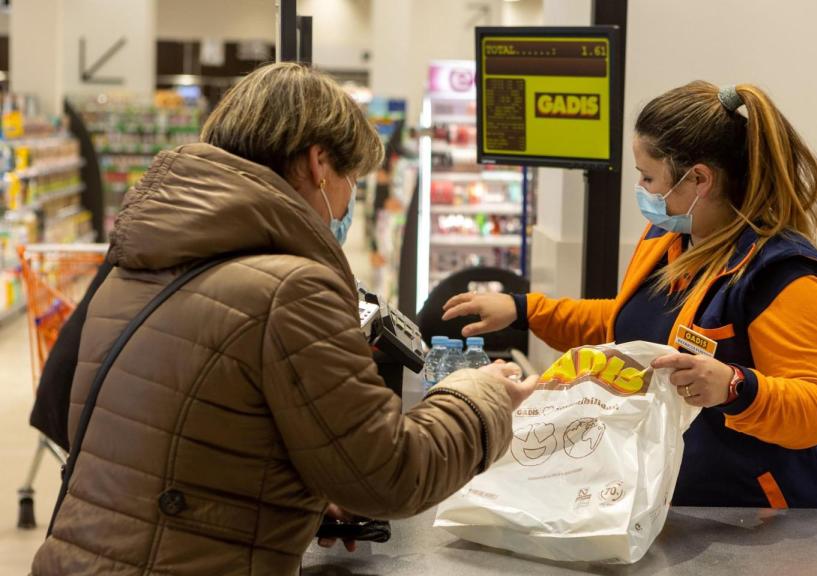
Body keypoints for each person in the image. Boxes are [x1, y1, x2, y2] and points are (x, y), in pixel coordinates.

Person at [32, 63, 535, 576]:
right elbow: (392, 475)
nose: (349, 201)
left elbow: (181, 445)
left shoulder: (132, 268)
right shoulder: (292, 289)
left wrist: (295, 499)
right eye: (352, 180)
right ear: (320, 164)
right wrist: (478, 397)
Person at [443, 81, 817, 509]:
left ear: (699, 179)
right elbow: (628, 327)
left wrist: (734, 386)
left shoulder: (785, 275)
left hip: (755, 519)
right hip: (671, 503)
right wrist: (524, 309)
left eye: (648, 176)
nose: (641, 187)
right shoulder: (668, 238)